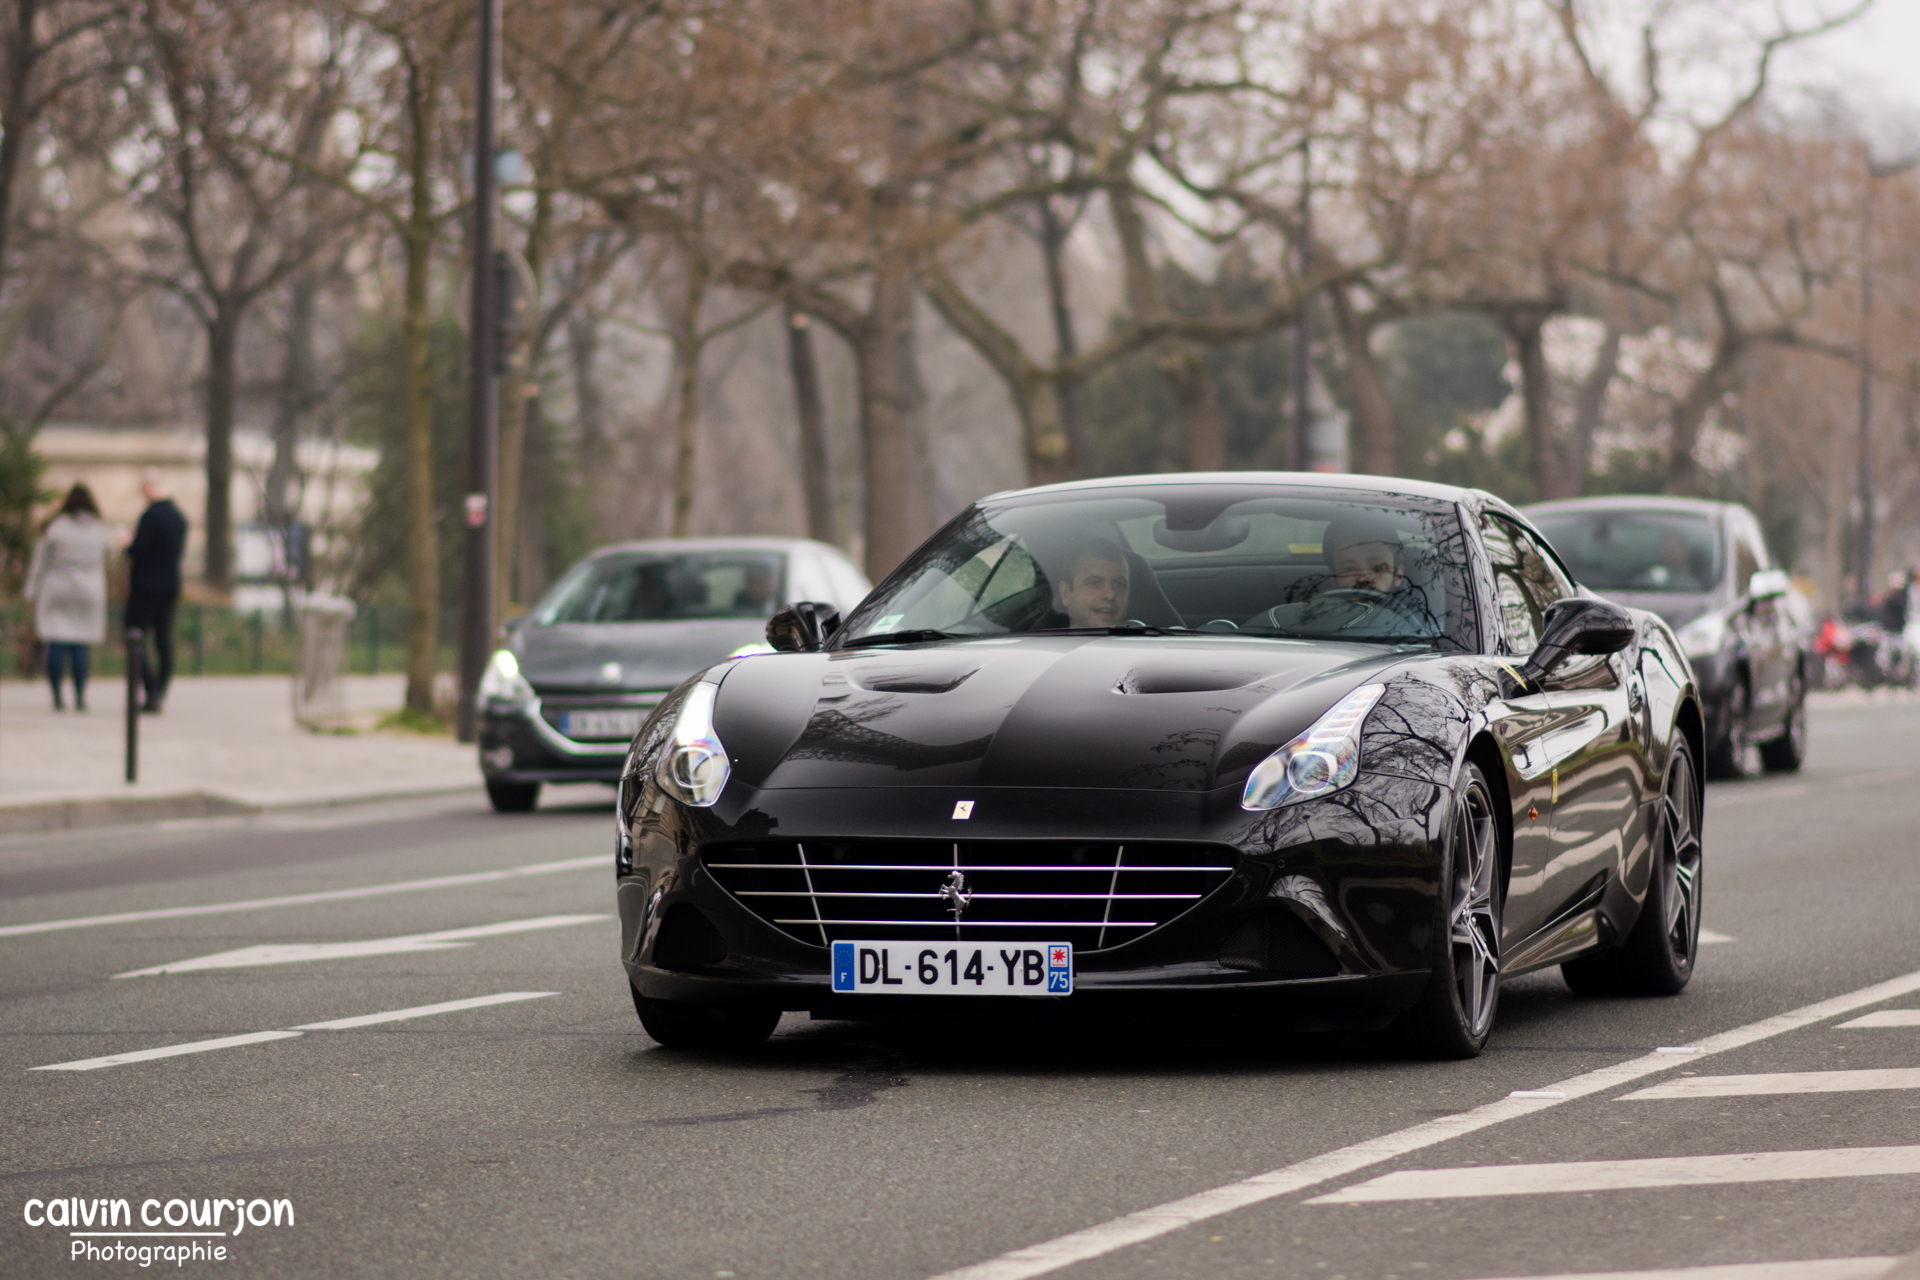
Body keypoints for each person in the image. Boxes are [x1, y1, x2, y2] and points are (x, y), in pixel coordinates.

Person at [1251, 515, 1434, 636]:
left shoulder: (1424, 632)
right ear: (1333, 578)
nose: (1364, 577)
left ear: (1398, 574)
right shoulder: (1293, 622)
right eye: (1349, 568)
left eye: (1377, 566)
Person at [24, 483, 115, 711]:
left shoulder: (56, 528)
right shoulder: (99, 529)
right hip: (89, 588)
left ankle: (56, 695)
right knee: (80, 644)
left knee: (56, 640)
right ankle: (80, 696)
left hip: (58, 585)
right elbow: (110, 552)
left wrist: (31, 593)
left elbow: (40, 563)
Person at [124, 471, 188, 714]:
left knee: (134, 636)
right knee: (164, 640)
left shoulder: (150, 516)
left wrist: (126, 546)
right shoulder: (179, 518)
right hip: (170, 585)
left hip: (145, 586)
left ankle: (150, 689)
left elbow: (138, 550)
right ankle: (160, 689)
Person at [1055, 537, 1131, 629]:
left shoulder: (1144, 642)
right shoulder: (1041, 642)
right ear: (1066, 593)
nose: (1110, 595)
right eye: (1094, 583)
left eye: (1119, 584)